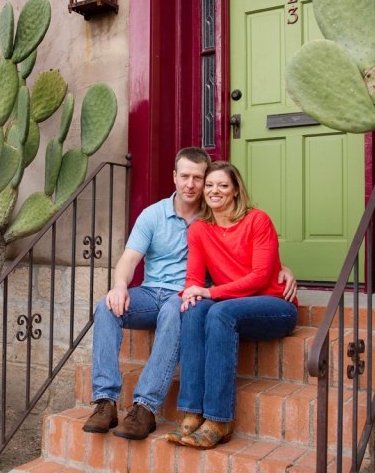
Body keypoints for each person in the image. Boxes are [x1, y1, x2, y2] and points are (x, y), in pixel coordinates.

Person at [82, 149, 297, 441]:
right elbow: (131, 259)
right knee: (106, 307)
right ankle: (105, 402)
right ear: (174, 177)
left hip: (198, 297)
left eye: (201, 179)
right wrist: (119, 285)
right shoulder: (172, 220)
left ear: (233, 189)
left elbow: (253, 261)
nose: (194, 185)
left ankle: (145, 408)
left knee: (183, 308)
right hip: (154, 292)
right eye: (187, 177)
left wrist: (281, 267)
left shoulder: (229, 218)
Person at [167, 161, 299, 449]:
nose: (215, 191)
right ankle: (191, 413)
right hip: (231, 303)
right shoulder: (200, 229)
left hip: (275, 305)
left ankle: (218, 418)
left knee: (218, 312)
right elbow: (193, 277)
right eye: (210, 185)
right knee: (192, 308)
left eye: (223, 185)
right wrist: (191, 293)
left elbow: (260, 277)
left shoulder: (257, 220)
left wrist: (210, 293)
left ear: (236, 190)